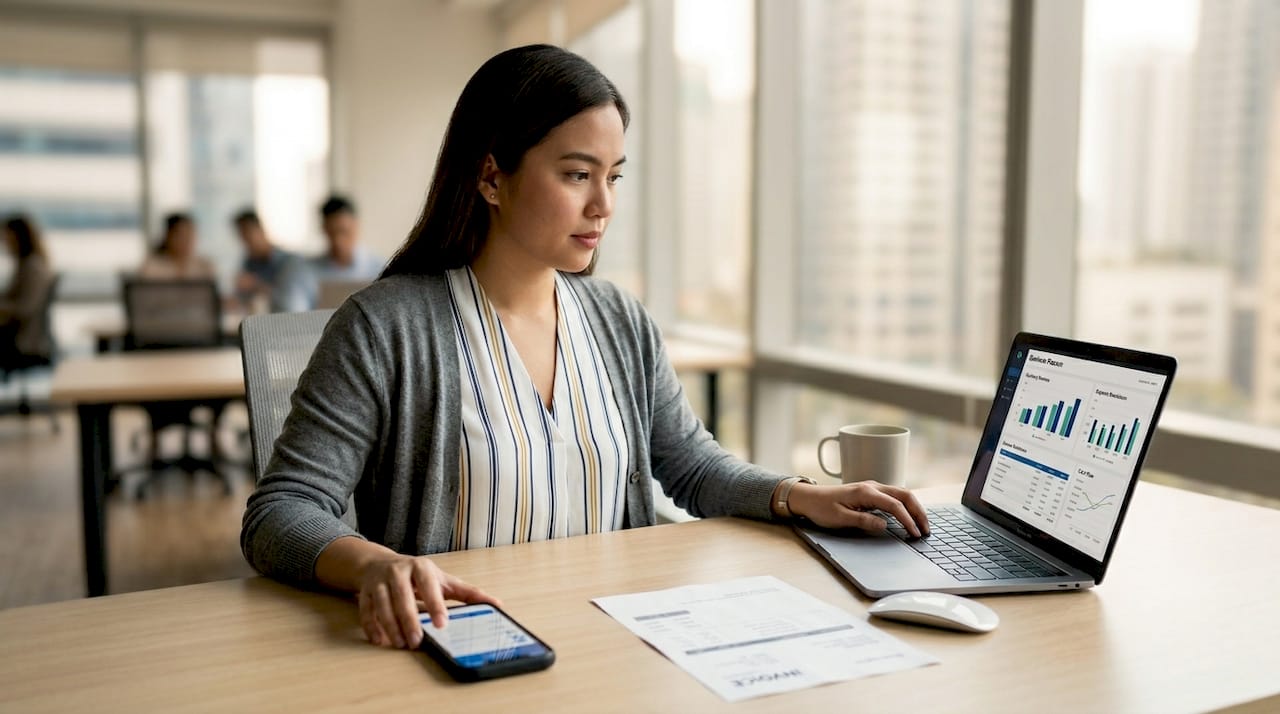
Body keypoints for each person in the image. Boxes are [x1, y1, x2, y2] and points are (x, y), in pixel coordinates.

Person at [241, 44, 929, 652]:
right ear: (490, 178)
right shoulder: (384, 327)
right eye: (576, 174)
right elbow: (281, 512)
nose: (604, 204)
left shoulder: (617, 319)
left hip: (615, 640)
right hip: (464, 644)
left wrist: (795, 495)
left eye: (614, 175)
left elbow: (689, 463)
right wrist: (372, 563)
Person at [270, 195, 384, 312]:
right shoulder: (304, 272)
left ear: (356, 227)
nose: (338, 241)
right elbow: (291, 314)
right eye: (332, 233)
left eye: (344, 231)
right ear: (323, 229)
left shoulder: (379, 269)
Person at [0, 214, 55, 367]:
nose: (4, 243)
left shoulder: (32, 267)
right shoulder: (24, 265)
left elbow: (26, 308)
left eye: (6, 237)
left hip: (25, 342)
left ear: (19, 237)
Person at [231, 209, 292, 313]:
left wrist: (256, 285)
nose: (245, 241)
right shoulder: (249, 263)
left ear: (260, 230)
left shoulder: (287, 261)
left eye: (248, 234)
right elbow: (243, 299)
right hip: (259, 320)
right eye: (241, 236)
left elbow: (289, 299)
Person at [139, 212, 216, 280]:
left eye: (190, 235)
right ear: (168, 236)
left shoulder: (205, 266)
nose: (187, 241)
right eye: (181, 235)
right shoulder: (152, 267)